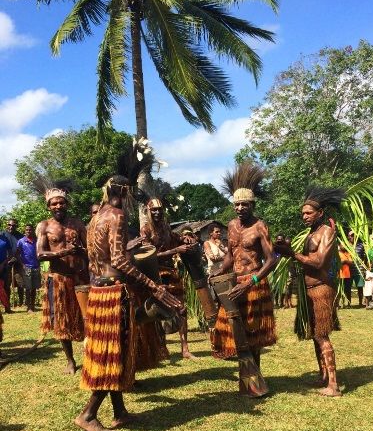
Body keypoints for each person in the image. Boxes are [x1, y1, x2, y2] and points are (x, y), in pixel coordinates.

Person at [76, 175, 182, 431]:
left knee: (111, 352)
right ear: (124, 191)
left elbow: (97, 261)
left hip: (99, 291)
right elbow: (119, 261)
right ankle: (88, 414)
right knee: (115, 352)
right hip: (114, 293)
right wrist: (153, 285)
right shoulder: (117, 216)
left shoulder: (95, 218)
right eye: (131, 192)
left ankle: (119, 411)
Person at [211, 162, 277, 396]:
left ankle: (254, 379)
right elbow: (231, 254)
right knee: (237, 331)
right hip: (233, 283)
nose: (240, 208)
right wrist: (219, 271)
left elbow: (271, 260)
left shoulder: (260, 226)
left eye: (244, 204)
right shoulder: (230, 225)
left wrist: (252, 282)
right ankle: (246, 380)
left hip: (253, 284)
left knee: (253, 333)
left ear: (252, 205)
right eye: (237, 204)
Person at [276, 187, 344, 397]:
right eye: (303, 213)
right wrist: (286, 249)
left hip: (322, 289)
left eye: (308, 213)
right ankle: (323, 374)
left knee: (322, 334)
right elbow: (304, 260)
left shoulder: (327, 232)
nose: (304, 216)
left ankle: (333, 384)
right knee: (316, 334)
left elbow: (319, 261)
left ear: (320, 213)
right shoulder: (311, 234)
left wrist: (293, 253)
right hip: (309, 290)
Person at [36, 182, 89, 374]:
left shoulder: (77, 223)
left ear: (67, 204)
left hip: (81, 277)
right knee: (62, 321)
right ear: (48, 206)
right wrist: (63, 252)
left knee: (87, 317)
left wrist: (80, 251)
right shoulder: (45, 226)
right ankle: (70, 360)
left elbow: (90, 249)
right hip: (59, 279)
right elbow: (40, 254)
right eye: (54, 204)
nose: (58, 206)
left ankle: (90, 356)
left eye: (61, 203)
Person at [140, 198, 197, 360]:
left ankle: (185, 348)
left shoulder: (166, 228)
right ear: (148, 212)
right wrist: (175, 250)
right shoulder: (145, 231)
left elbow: (176, 238)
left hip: (171, 273)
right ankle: (161, 348)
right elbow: (148, 256)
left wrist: (185, 239)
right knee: (157, 312)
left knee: (182, 309)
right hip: (155, 275)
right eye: (154, 210)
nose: (157, 212)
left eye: (160, 209)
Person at [16, 224, 41, 313]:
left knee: (34, 288)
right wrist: (22, 264)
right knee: (28, 288)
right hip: (26, 267)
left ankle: (33, 305)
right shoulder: (21, 241)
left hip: (36, 267)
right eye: (27, 230)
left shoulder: (37, 241)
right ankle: (29, 307)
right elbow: (17, 254)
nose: (28, 231)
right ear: (24, 231)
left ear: (32, 230)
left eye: (30, 230)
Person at [3, 218, 24, 309]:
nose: (11, 227)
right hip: (6, 263)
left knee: (20, 283)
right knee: (6, 284)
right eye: (9, 225)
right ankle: (7, 304)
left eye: (14, 225)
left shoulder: (20, 236)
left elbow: (23, 249)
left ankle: (21, 303)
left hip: (18, 262)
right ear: (7, 225)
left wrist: (16, 258)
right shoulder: (2, 235)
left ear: (16, 226)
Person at [347, 230, 365, 307]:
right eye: (351, 235)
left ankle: (360, 303)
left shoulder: (361, 245)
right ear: (348, 236)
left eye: (354, 235)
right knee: (348, 287)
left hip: (359, 270)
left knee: (360, 287)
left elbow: (364, 257)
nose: (353, 237)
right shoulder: (346, 245)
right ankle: (349, 303)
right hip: (348, 270)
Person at [338, 242, 353, 308]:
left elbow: (351, 262)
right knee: (340, 290)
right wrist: (345, 261)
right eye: (342, 245)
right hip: (339, 275)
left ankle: (349, 304)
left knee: (348, 290)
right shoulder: (337, 253)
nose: (344, 246)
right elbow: (337, 263)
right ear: (340, 245)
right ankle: (341, 304)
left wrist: (344, 261)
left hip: (347, 275)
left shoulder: (347, 253)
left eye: (345, 245)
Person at [0, 232, 11, 314]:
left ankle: (7, 308)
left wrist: (3, 264)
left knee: (6, 287)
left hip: (4, 267)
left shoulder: (4, 239)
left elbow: (10, 254)